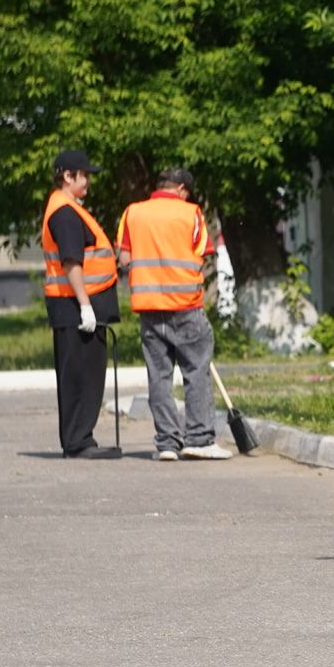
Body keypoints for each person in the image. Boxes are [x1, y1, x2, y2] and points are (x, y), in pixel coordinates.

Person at [116, 167, 231, 461]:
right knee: (196, 373)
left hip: (149, 308)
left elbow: (124, 258)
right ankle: (200, 439)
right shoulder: (190, 213)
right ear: (181, 189)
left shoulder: (132, 213)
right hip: (185, 306)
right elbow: (203, 254)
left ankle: (167, 444)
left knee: (159, 377)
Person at [42, 148, 122, 459]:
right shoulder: (64, 212)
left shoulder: (69, 208)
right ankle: (77, 441)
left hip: (77, 306)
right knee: (79, 376)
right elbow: (71, 262)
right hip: (74, 308)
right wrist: (85, 306)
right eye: (83, 175)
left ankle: (80, 438)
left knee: (86, 374)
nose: (87, 181)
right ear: (67, 176)